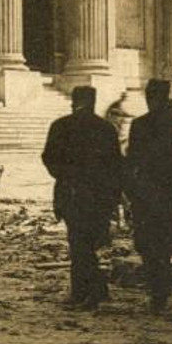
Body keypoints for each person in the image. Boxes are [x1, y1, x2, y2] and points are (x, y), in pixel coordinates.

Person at [41, 86, 123, 310]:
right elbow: (116, 164)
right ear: (94, 102)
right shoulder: (106, 128)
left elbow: (48, 158)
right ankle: (87, 290)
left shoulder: (61, 125)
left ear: (73, 101)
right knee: (90, 242)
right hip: (99, 194)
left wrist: (65, 176)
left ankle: (89, 290)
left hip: (72, 192)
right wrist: (114, 196)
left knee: (78, 242)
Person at [125, 77, 172, 313]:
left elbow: (132, 162)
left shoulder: (140, 125)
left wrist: (131, 191)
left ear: (151, 98)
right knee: (165, 245)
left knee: (148, 245)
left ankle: (159, 294)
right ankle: (162, 293)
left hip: (147, 194)